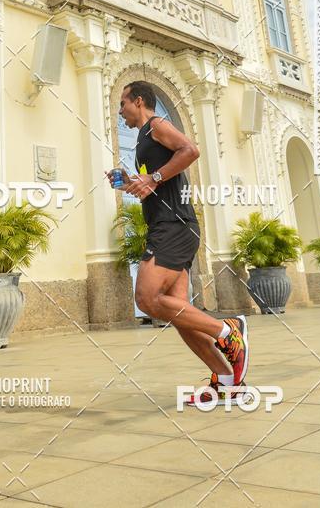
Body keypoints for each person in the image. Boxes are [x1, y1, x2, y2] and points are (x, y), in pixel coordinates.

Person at [108, 81, 249, 405]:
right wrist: (132, 182)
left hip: (174, 225)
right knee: (179, 314)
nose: (121, 111)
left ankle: (229, 330)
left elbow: (191, 150)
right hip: (167, 224)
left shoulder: (158, 125)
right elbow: (156, 178)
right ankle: (227, 382)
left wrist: (153, 178)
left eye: (123, 104)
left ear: (138, 101)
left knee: (146, 298)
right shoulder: (145, 138)